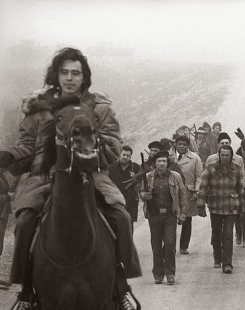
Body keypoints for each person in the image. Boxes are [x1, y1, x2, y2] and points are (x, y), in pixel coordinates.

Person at [0, 48, 141, 304]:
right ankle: (26, 293)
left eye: (75, 73)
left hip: (92, 173)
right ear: (56, 75)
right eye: (64, 72)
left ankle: (121, 286)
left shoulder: (100, 108)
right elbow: (27, 145)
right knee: (24, 222)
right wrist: (8, 156)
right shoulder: (38, 108)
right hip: (43, 175)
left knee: (120, 214)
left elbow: (113, 145)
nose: (69, 78)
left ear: (84, 76)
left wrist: (89, 153)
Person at [140, 151, 187, 285]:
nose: (162, 164)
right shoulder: (148, 177)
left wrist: (183, 213)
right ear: (154, 163)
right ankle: (158, 274)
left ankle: (170, 274)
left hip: (170, 215)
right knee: (156, 245)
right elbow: (141, 194)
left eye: (164, 161)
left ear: (168, 163)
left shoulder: (175, 176)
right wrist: (144, 196)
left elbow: (182, 195)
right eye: (159, 161)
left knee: (170, 244)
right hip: (154, 215)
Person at [197, 145, 245, 274]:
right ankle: (217, 258)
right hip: (215, 205)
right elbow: (203, 187)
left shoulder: (237, 169)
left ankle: (227, 263)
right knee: (216, 234)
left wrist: (242, 206)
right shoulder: (211, 167)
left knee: (228, 235)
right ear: (219, 155)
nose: (224, 157)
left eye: (227, 155)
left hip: (231, 206)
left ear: (231, 156)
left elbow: (241, 189)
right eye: (222, 155)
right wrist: (200, 205)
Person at [171, 135, 203, 255]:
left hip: (188, 193)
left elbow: (199, 175)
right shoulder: (169, 157)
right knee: (171, 219)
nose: (182, 146)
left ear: (188, 145)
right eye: (180, 144)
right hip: (171, 192)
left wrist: (196, 191)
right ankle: (171, 246)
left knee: (187, 219)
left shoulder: (195, 158)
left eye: (184, 144)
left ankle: (184, 246)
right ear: (176, 144)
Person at [108, 145, 141, 229]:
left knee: (129, 228)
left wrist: (135, 178)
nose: (125, 157)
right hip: (115, 202)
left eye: (128, 156)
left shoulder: (136, 168)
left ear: (130, 157)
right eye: (124, 155)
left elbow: (141, 184)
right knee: (115, 227)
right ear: (120, 154)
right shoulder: (111, 167)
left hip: (130, 203)